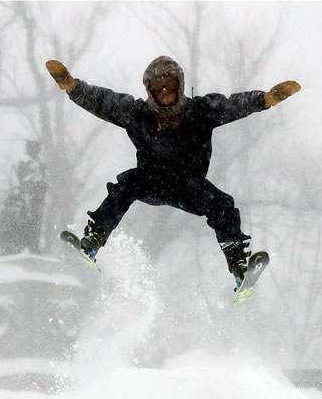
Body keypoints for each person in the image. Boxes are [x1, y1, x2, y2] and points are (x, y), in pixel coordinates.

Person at [45, 56, 301, 288]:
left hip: (189, 186)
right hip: (151, 182)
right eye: (157, 88)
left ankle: (239, 267)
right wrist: (74, 88)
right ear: (149, 91)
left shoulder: (200, 111)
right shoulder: (138, 114)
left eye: (168, 85)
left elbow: (232, 105)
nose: (164, 93)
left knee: (223, 205)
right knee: (127, 182)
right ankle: (91, 243)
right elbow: (105, 102)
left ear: (179, 85)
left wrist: (264, 100)